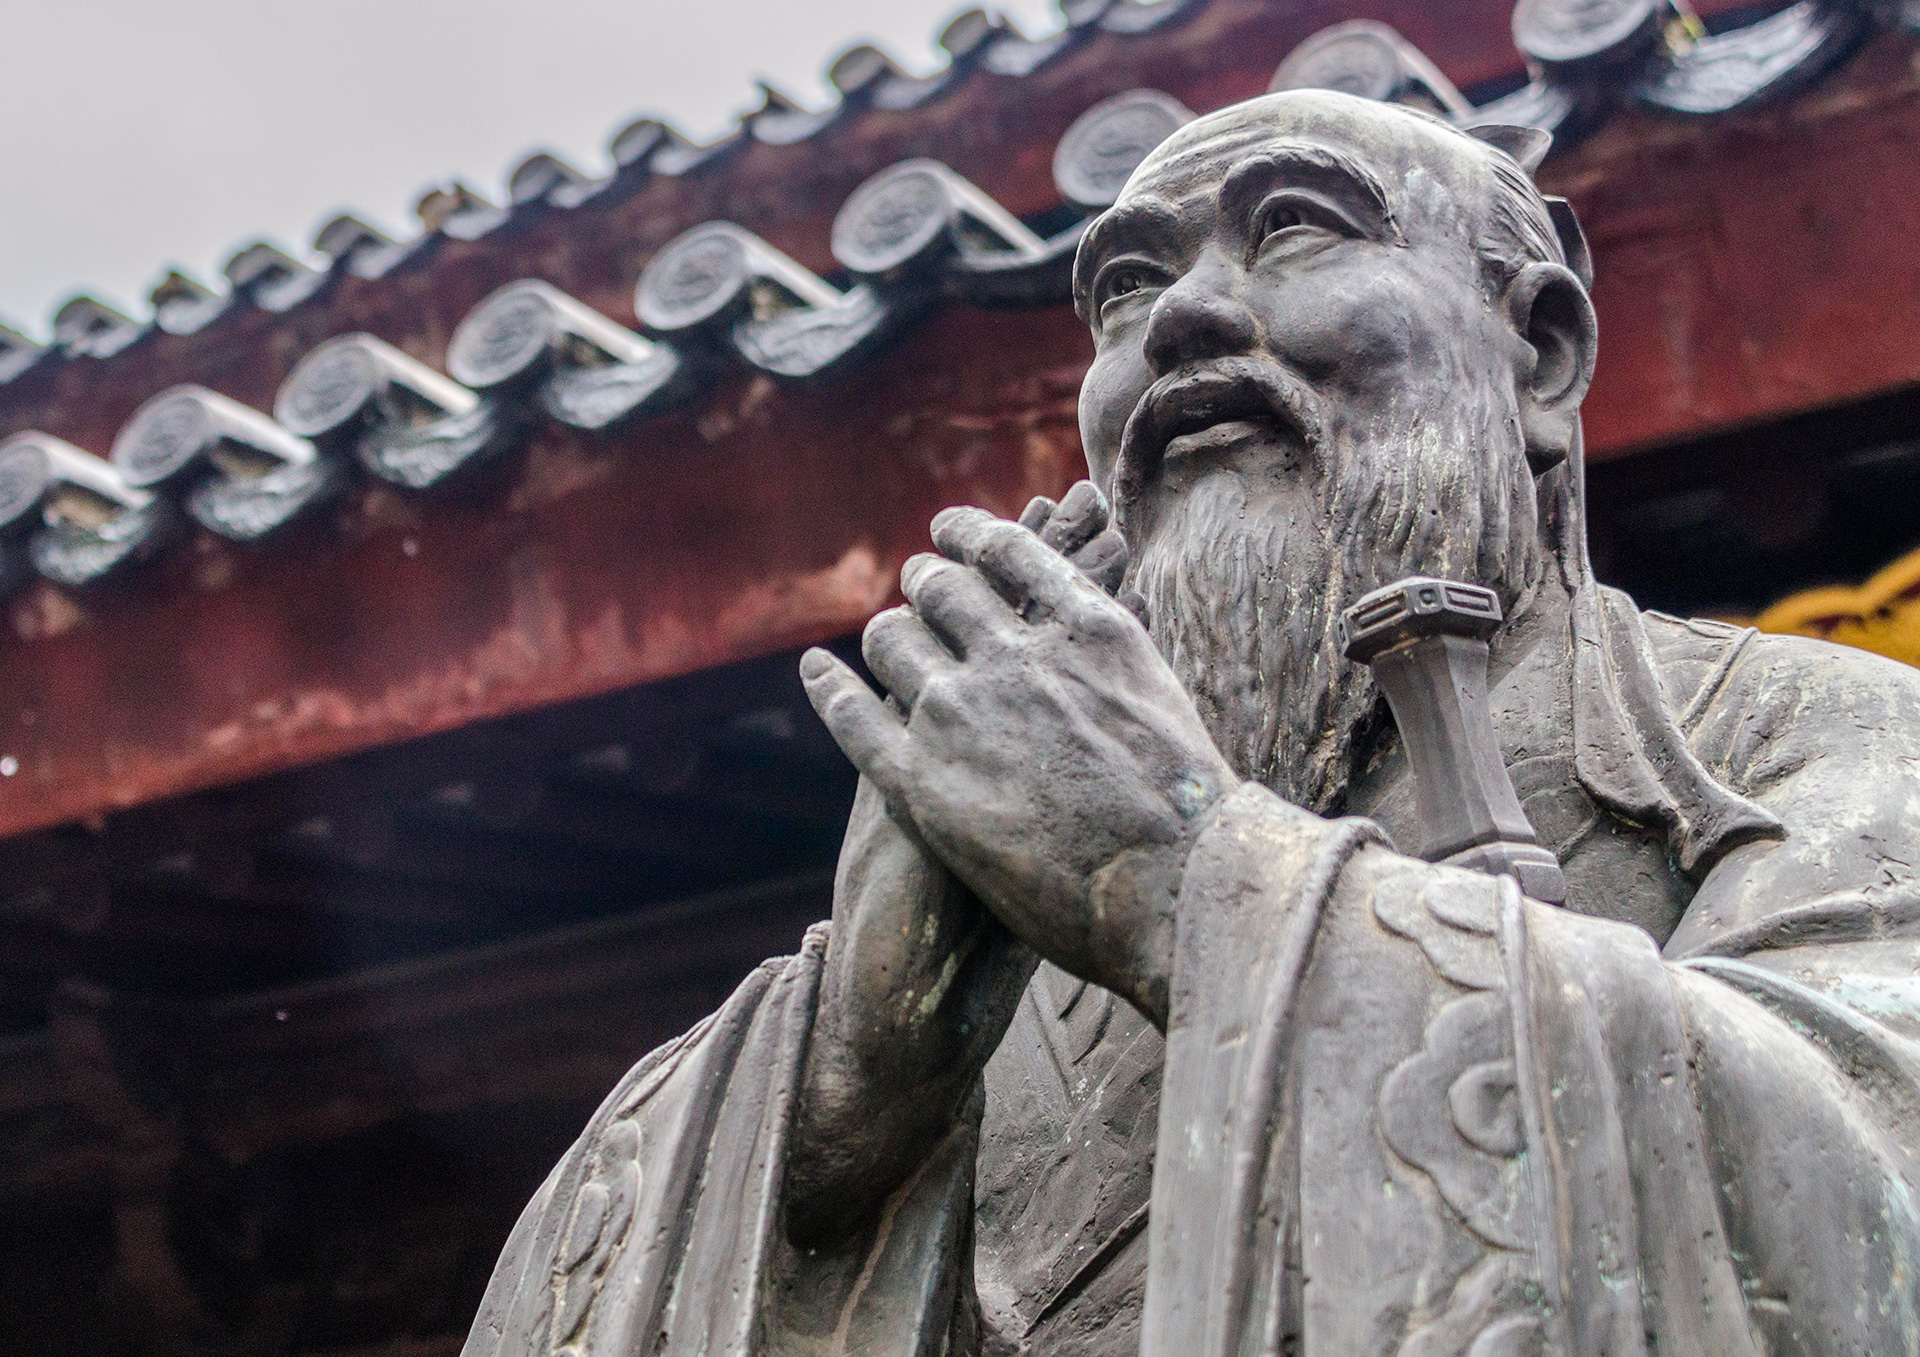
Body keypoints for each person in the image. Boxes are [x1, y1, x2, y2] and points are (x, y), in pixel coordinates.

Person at [463, 89, 1920, 1357]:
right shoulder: (992, 952)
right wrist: (850, 1083)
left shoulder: (1807, 743)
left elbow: (1870, 1202)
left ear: (1537, 354)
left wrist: (1184, 883)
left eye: (1295, 228)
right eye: (1125, 291)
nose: (1184, 319)